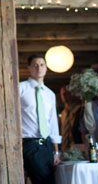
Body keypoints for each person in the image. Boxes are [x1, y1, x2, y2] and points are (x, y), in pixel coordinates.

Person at [20, 55, 61, 184]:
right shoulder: (20, 88)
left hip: (47, 145)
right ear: (29, 68)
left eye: (42, 65)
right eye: (35, 65)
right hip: (29, 144)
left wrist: (56, 151)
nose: (39, 68)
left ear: (46, 68)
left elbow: (53, 123)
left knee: (53, 180)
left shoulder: (50, 94)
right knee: (43, 180)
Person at [59, 87, 85, 152]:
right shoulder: (63, 113)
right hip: (64, 149)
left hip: (77, 149)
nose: (65, 96)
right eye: (63, 94)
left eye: (67, 93)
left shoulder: (80, 110)